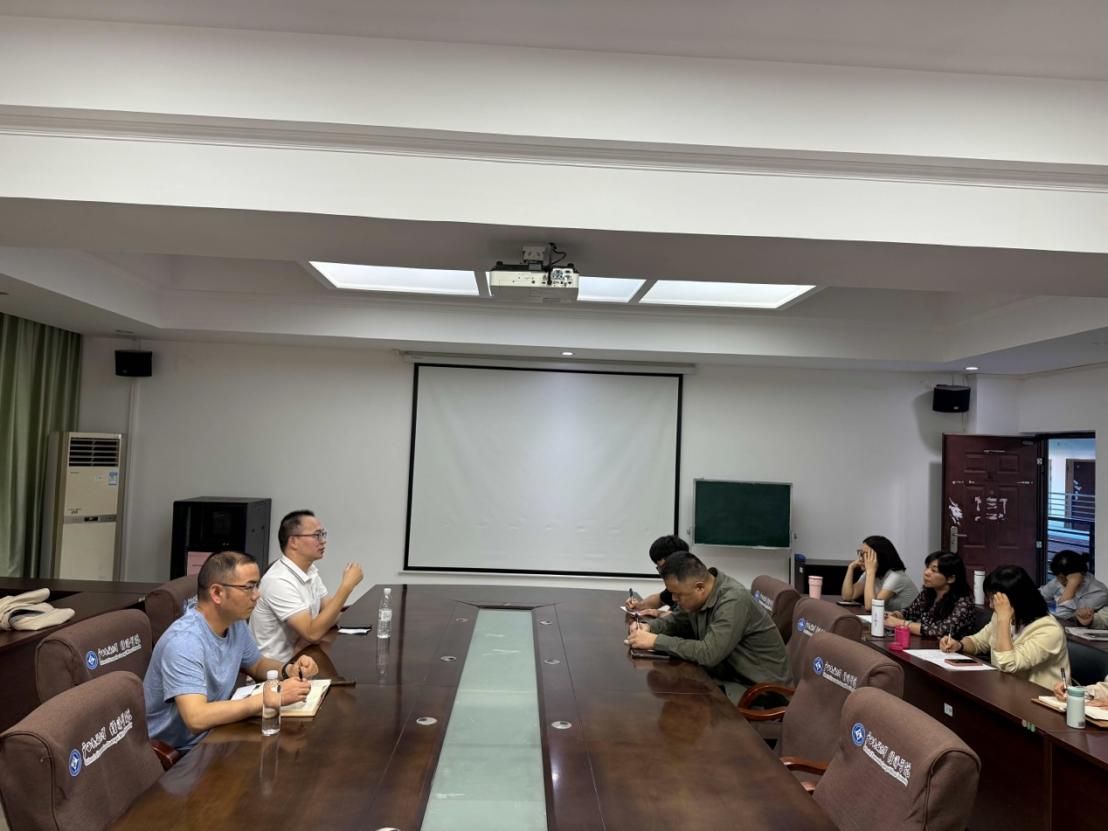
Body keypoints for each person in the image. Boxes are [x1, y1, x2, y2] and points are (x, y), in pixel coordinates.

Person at [145, 550, 319, 752]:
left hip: (219, 731)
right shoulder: (184, 642)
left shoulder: (233, 621)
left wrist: (289, 670)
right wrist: (269, 698)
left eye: (257, 585)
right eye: (249, 587)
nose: (257, 595)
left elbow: (257, 664)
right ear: (217, 593)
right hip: (183, 751)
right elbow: (196, 718)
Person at [627, 551, 791, 703]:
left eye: (678, 594)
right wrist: (649, 627)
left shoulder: (733, 600)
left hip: (759, 692)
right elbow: (678, 621)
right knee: (670, 688)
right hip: (728, 677)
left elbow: (709, 653)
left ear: (700, 587)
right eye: (672, 593)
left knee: (681, 698)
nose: (674, 599)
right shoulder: (700, 595)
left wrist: (655, 641)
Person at [250, 510, 364, 662]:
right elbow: (313, 633)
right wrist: (346, 587)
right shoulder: (278, 581)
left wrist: (316, 628)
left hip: (302, 655)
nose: (323, 541)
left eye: (323, 534)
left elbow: (332, 613)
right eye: (316, 535)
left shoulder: (310, 570)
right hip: (275, 668)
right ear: (293, 542)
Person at [940, 565, 1069, 690]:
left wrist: (1003, 620)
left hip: (1037, 698)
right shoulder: (1002, 616)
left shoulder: (1049, 630)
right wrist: (959, 645)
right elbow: (979, 641)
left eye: (994, 600)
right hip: (1004, 689)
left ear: (1015, 600)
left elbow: (1009, 665)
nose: (991, 605)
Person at [886, 551, 977, 638]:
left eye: (934, 570)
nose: (926, 573)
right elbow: (910, 612)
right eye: (927, 567)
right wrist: (895, 615)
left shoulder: (964, 602)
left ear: (950, 578)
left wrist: (901, 623)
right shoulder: (928, 592)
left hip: (948, 648)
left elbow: (941, 631)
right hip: (925, 644)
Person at [840, 535, 918, 612]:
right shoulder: (872, 573)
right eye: (860, 553)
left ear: (879, 557)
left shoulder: (895, 577)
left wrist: (870, 572)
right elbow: (848, 596)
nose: (860, 559)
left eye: (865, 555)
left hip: (907, 619)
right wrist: (850, 567)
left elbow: (870, 607)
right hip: (887, 618)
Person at [624, 535, 689, 618]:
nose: (661, 573)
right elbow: (660, 599)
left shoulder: (691, 584)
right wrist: (639, 606)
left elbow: (684, 618)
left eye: (662, 567)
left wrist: (659, 613)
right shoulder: (675, 584)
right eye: (658, 567)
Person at [1038, 549, 1108, 621]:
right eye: (1058, 577)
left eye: (1062, 578)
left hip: (1078, 626)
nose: (1060, 581)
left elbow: (1064, 616)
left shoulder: (1099, 593)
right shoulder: (1059, 580)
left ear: (1081, 574)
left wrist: (1072, 584)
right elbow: (1038, 597)